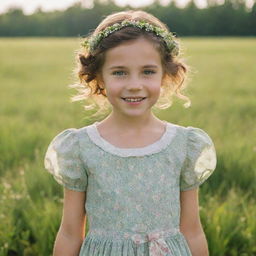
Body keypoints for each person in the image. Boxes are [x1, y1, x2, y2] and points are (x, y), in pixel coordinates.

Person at [44, 10, 217, 256]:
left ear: (165, 75)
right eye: (119, 72)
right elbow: (71, 232)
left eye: (147, 71)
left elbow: (192, 230)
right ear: (99, 78)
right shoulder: (80, 147)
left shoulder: (184, 145)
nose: (134, 84)